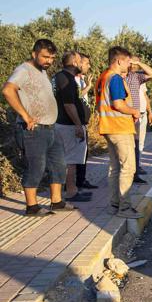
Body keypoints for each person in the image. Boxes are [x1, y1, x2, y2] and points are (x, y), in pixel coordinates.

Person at [2, 39, 75, 216]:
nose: (49, 61)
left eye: (52, 57)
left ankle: (56, 201)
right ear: (34, 53)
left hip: (51, 127)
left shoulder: (42, 72)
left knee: (58, 165)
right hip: (33, 130)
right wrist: (25, 116)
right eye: (45, 57)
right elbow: (7, 90)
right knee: (36, 166)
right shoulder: (23, 70)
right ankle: (32, 206)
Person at [96, 46, 143, 219]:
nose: (130, 65)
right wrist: (134, 112)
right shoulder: (115, 78)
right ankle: (125, 208)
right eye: (128, 61)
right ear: (119, 61)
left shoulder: (103, 77)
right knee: (128, 168)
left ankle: (114, 204)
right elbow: (118, 104)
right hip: (120, 128)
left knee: (115, 168)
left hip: (108, 127)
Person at [52, 51, 91, 202]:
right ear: (74, 62)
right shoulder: (67, 78)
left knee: (66, 159)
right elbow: (69, 105)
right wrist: (78, 125)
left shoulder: (58, 76)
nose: (83, 64)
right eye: (81, 61)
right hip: (67, 125)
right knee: (71, 160)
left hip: (60, 123)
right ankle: (71, 191)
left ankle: (68, 190)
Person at [124, 56, 152, 184]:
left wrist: (139, 63)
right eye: (130, 62)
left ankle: (135, 173)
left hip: (136, 117)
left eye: (134, 63)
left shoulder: (137, 76)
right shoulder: (119, 76)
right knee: (125, 147)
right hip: (123, 116)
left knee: (136, 145)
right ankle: (125, 175)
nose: (132, 65)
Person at [75, 53, 97, 190]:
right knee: (76, 155)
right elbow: (76, 96)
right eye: (87, 63)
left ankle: (81, 180)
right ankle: (74, 183)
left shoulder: (81, 79)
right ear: (79, 63)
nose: (89, 66)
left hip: (83, 122)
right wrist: (88, 87)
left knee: (83, 153)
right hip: (75, 123)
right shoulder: (72, 79)